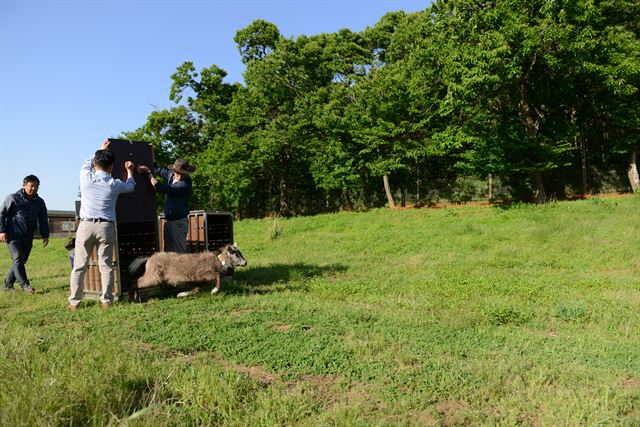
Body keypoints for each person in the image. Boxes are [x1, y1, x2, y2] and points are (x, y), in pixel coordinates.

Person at [68, 140, 136, 310]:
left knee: (79, 265)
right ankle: (106, 299)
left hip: (86, 225)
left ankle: (74, 302)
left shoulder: (86, 177)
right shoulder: (114, 184)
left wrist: (100, 150)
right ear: (112, 167)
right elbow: (131, 187)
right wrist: (130, 171)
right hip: (106, 227)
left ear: (95, 164)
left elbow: (86, 163)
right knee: (106, 265)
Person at [0, 175, 49, 293]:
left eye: (36, 186)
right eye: (31, 186)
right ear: (24, 185)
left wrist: (45, 235)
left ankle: (7, 284)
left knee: (21, 260)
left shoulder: (39, 202)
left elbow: (43, 219)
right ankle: (25, 285)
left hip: (28, 236)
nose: (34, 188)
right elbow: (2, 214)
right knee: (17, 258)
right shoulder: (12, 198)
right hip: (13, 235)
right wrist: (2, 230)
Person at [137, 158, 195, 253]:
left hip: (179, 222)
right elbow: (158, 169)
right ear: (174, 170)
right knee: (168, 252)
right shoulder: (171, 175)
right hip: (169, 220)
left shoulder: (184, 185)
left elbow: (159, 187)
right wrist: (151, 156)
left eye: (182, 174)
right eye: (178, 172)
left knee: (180, 252)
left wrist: (148, 172)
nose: (179, 176)